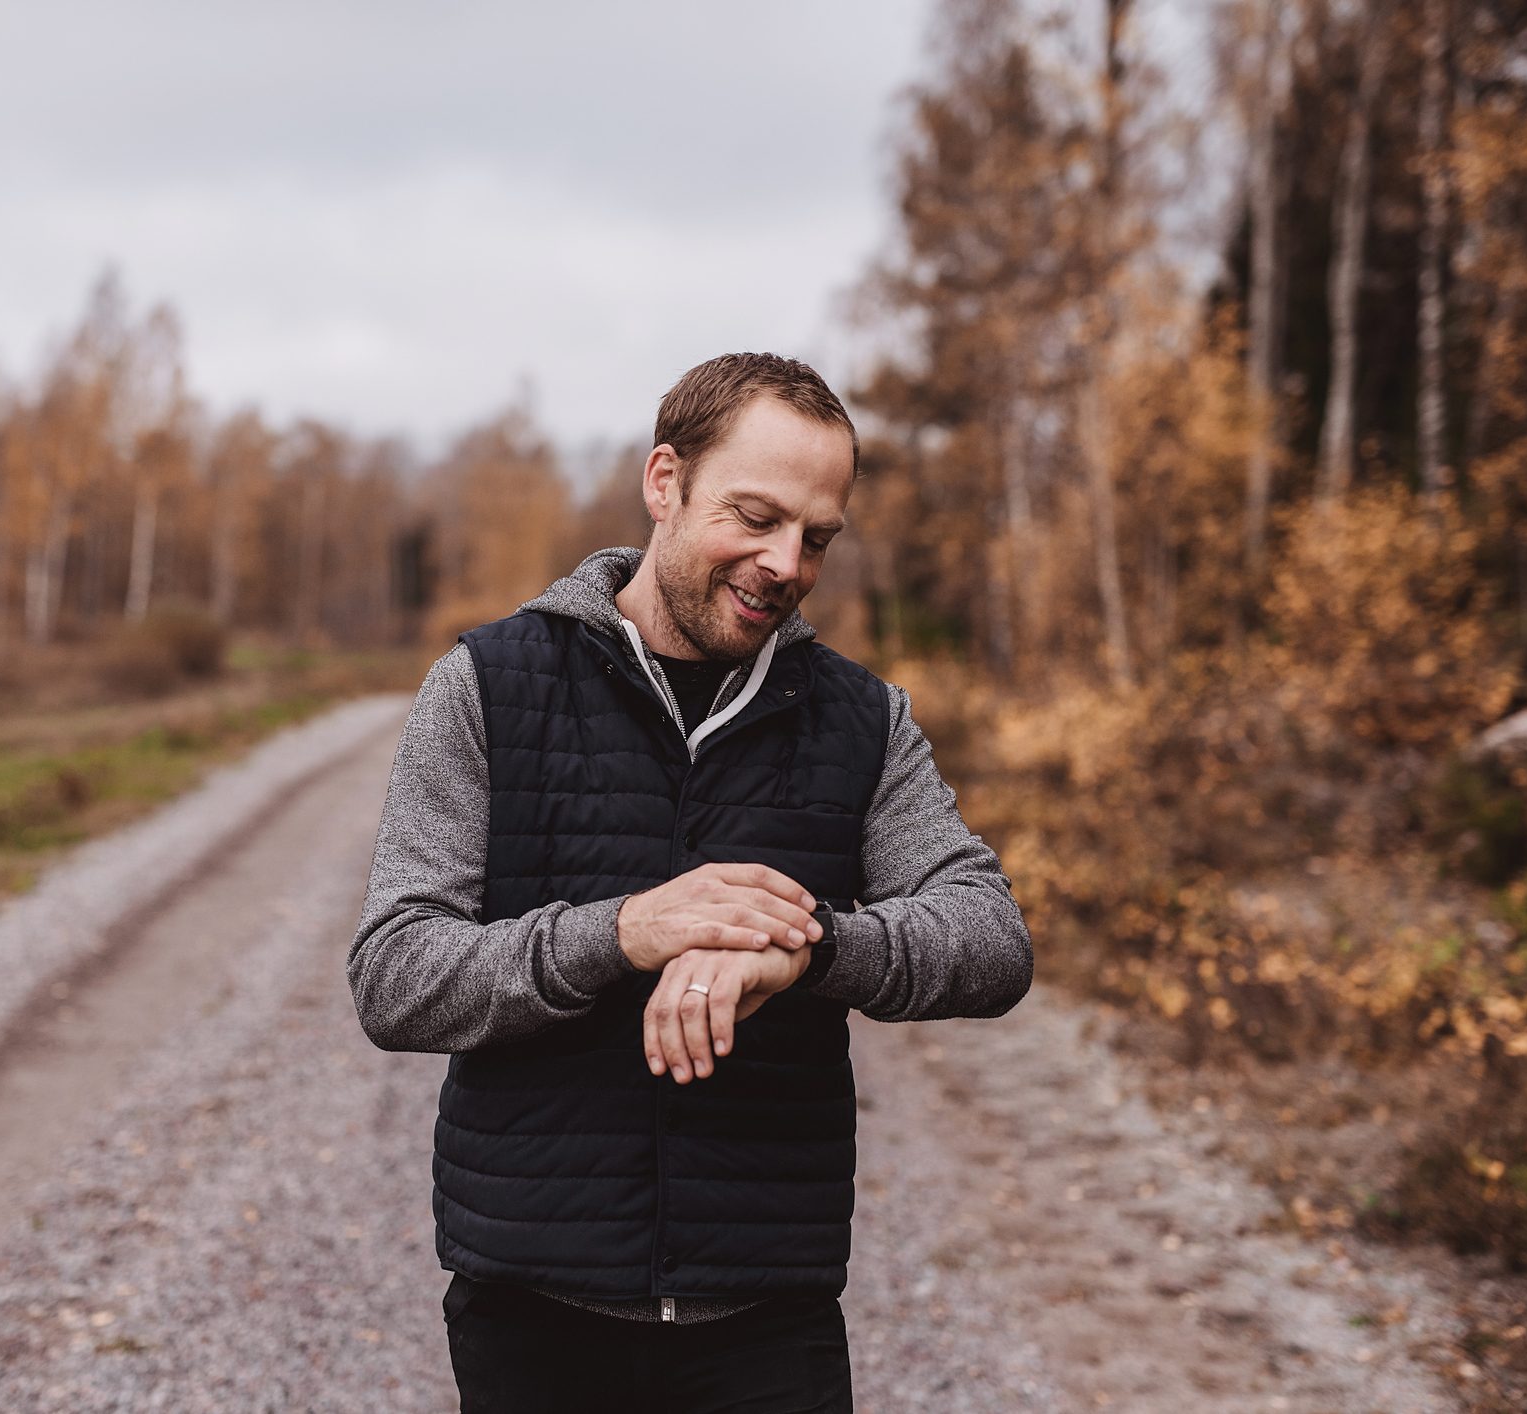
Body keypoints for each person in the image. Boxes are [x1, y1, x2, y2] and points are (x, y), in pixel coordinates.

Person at [347, 352, 1033, 1413]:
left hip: (769, 1313)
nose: (784, 562)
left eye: (816, 537)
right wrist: (622, 931)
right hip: (532, 1305)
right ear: (663, 481)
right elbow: (396, 975)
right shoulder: (485, 686)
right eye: (753, 516)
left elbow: (990, 941)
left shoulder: (861, 720)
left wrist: (811, 948)